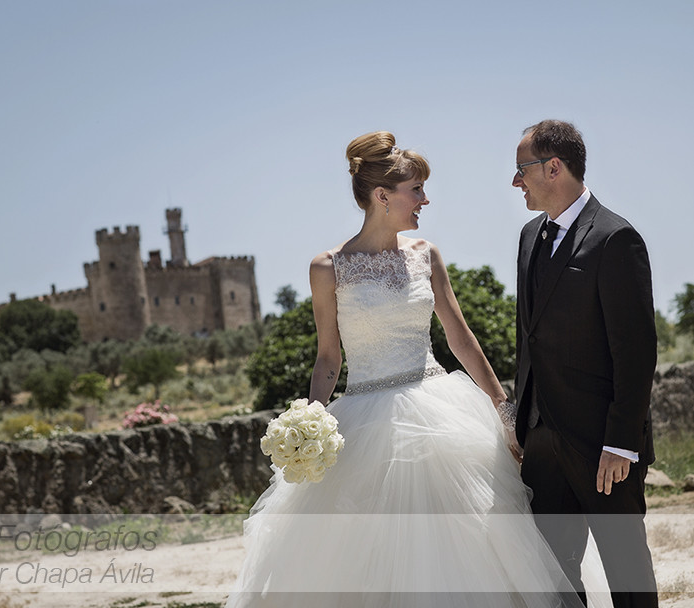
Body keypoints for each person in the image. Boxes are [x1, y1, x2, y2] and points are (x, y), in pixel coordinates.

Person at [225, 131, 605, 608]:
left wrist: (503, 407)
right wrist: (312, 422)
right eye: (416, 190)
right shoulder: (328, 268)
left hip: (438, 411)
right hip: (362, 421)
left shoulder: (427, 255)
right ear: (383, 196)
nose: (425, 199)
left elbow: (460, 339)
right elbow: (328, 358)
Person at [512, 120, 658, 608]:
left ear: (553, 167)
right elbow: (527, 339)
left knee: (627, 574)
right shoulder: (529, 236)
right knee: (554, 577)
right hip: (541, 441)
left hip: (604, 449)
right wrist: (522, 422)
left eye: (522, 170)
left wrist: (621, 441)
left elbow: (636, 353)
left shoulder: (616, 239)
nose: (516, 182)